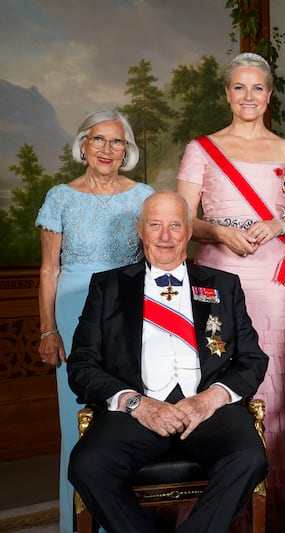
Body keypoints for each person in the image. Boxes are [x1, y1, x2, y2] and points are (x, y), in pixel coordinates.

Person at [67, 191, 269, 533]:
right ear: (140, 230)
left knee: (250, 458)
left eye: (175, 225)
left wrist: (210, 400)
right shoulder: (108, 286)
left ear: (188, 231)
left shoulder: (223, 285)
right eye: (155, 225)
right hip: (136, 408)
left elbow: (252, 359)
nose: (165, 236)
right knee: (88, 465)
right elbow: (82, 365)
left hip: (208, 409)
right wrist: (135, 403)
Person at [175, 51, 285, 530]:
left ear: (269, 95)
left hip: (274, 277)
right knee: (218, 370)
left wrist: (278, 222)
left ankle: (276, 503)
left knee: (274, 380)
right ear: (227, 93)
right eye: (240, 87)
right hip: (216, 273)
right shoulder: (202, 148)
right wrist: (219, 232)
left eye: (258, 88)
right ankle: (223, 501)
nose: (249, 96)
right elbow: (183, 220)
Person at [36, 108, 153, 533]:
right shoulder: (59, 198)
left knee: (126, 414)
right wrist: (49, 328)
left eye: (117, 141)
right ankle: (77, 525)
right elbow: (49, 270)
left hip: (128, 313)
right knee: (78, 421)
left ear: (128, 150)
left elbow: (159, 258)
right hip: (71, 311)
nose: (107, 149)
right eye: (98, 140)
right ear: (83, 145)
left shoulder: (143, 196)